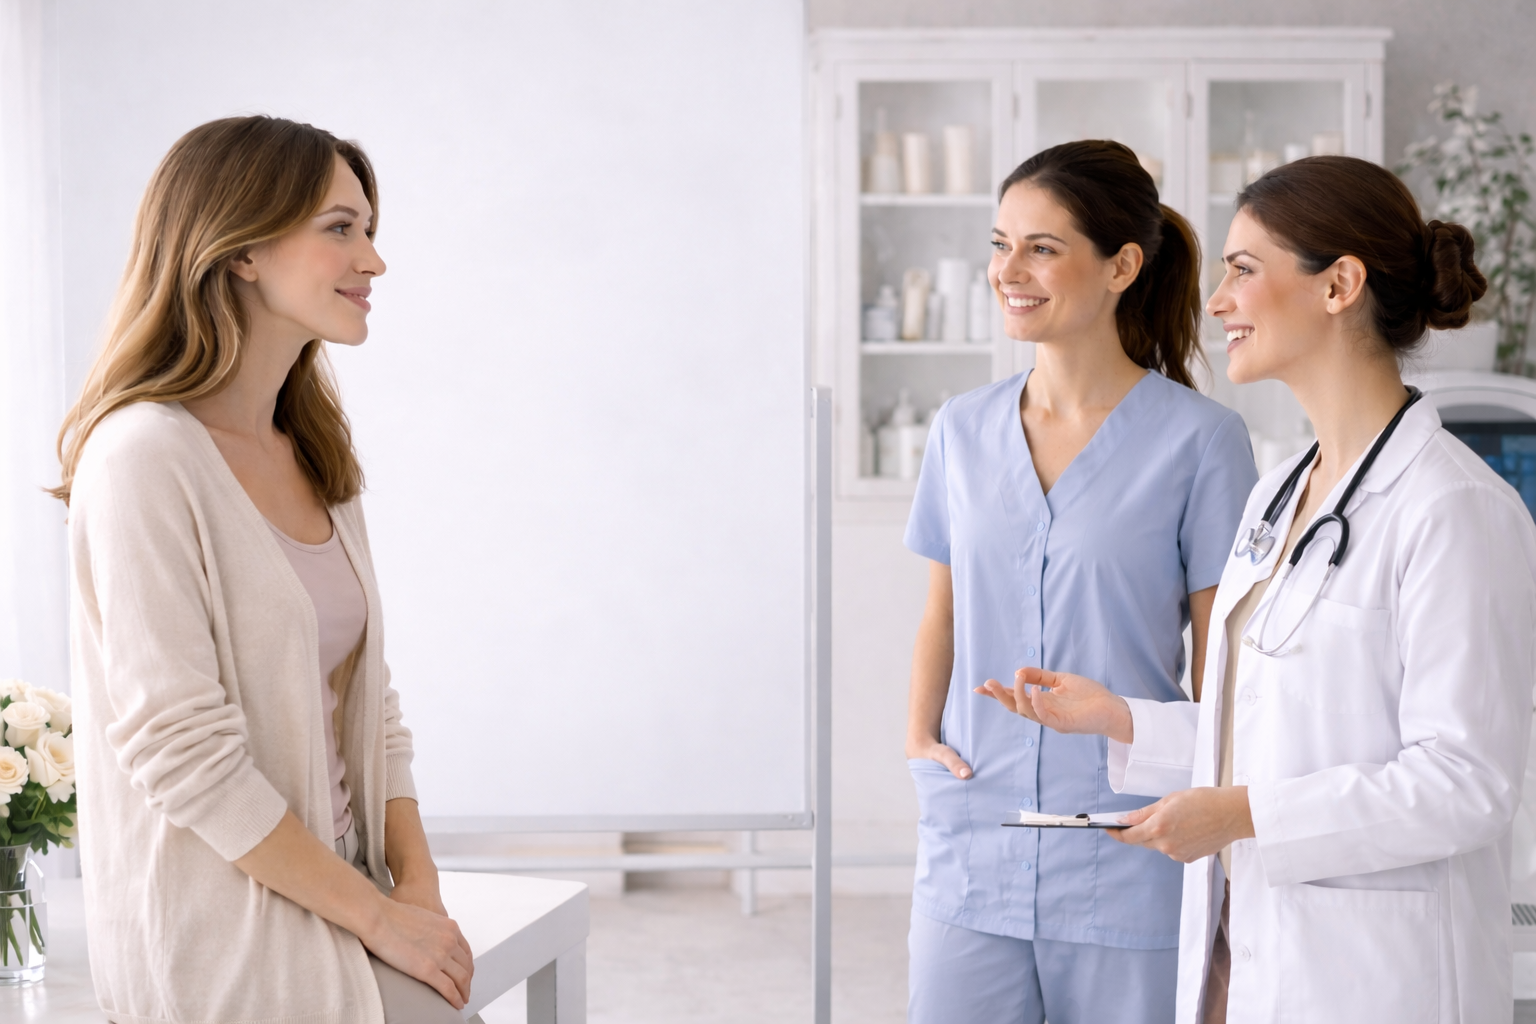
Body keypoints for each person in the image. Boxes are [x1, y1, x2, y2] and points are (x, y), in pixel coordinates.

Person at [981, 155, 1536, 1023]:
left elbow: (1466, 782)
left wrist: (1244, 817)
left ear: (1338, 285)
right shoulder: (1279, 493)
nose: (1217, 301)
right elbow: (1278, 728)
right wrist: (1121, 720)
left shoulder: (1454, 507)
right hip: (1248, 957)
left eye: (1244, 270)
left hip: (1381, 978)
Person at [56, 116, 479, 1024]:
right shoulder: (141, 457)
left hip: (343, 886)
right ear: (241, 250)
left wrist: (420, 887)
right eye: (340, 228)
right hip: (221, 923)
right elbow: (183, 755)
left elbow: (372, 699)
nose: (373, 260)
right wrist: (381, 920)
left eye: (369, 229)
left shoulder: (315, 452)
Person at [903, 140, 1258, 1024]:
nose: (1007, 271)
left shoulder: (1201, 441)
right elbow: (943, 611)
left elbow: (1227, 666)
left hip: (1129, 845)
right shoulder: (960, 428)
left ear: (1122, 266)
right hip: (971, 834)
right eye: (999, 244)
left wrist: (1218, 835)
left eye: (1041, 247)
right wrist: (920, 742)